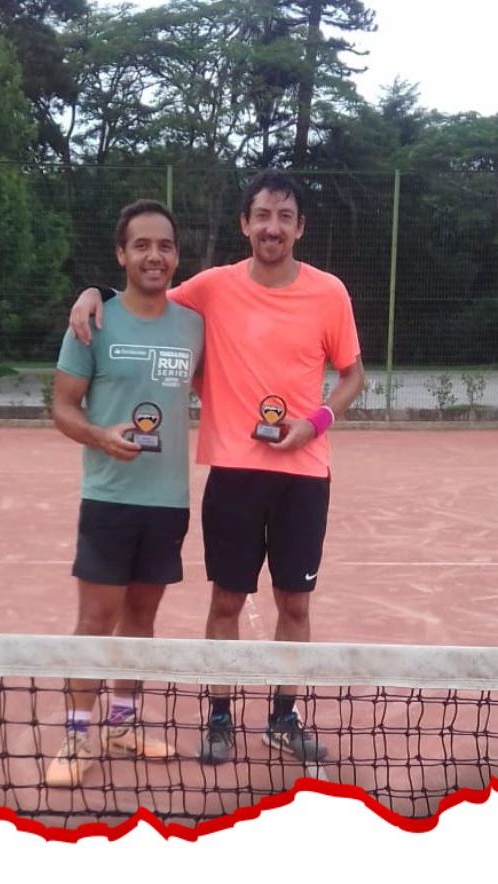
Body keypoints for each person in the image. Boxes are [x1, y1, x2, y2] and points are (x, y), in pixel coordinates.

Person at [69, 170, 365, 767]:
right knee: (226, 600)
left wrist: (316, 422)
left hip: (305, 474)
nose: (273, 227)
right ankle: (220, 717)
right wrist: (93, 290)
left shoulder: (330, 293)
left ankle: (283, 717)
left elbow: (353, 375)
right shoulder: (212, 287)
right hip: (232, 473)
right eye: (263, 215)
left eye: (285, 217)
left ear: (300, 228)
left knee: (296, 604)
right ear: (244, 224)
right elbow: (145, 293)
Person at [47, 199, 204, 786]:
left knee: (141, 619)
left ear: (176, 256)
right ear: (121, 254)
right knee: (95, 620)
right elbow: (62, 407)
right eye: (141, 245)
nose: (153, 256)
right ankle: (75, 735)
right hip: (109, 498)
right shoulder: (94, 321)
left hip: (168, 503)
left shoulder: (194, 325)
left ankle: (121, 724)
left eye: (164, 245)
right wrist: (99, 435)